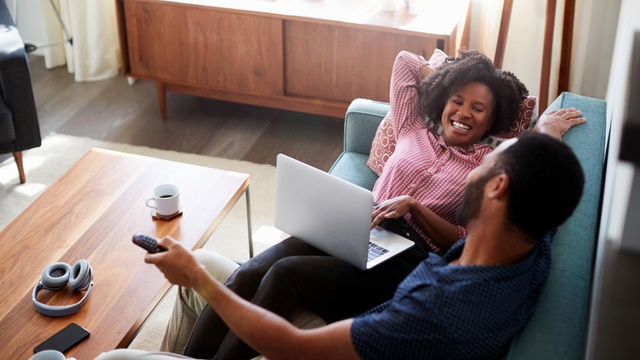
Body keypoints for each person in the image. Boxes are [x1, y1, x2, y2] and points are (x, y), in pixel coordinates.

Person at [153, 49, 584, 359]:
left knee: (284, 275)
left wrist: (414, 205)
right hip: (362, 223)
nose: (464, 113)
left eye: (479, 110)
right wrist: (539, 128)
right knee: (252, 269)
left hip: (408, 252)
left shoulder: (447, 290)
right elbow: (405, 62)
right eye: (457, 100)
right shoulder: (529, 230)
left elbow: (488, 215)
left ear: (497, 182)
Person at [96, 131, 586, 359]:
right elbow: (542, 181)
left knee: (114, 357)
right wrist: (543, 139)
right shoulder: (531, 240)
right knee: (208, 260)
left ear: (498, 188)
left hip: (326, 351)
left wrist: (197, 281)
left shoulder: (437, 310)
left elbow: (291, 347)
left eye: (489, 162)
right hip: (370, 330)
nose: (474, 169)